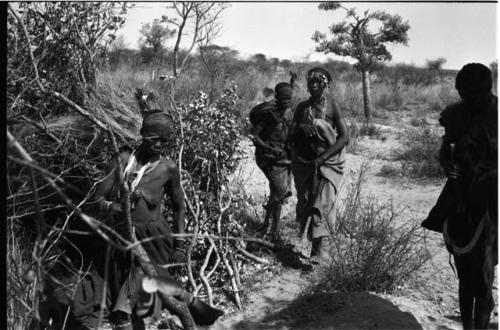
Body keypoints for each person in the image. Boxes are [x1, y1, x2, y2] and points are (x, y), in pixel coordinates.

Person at [90, 110, 222, 328]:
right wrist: (116, 207)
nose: (160, 144)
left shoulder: (168, 168)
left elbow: (179, 208)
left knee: (137, 285)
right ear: (142, 134)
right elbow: (97, 198)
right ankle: (190, 302)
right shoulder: (123, 160)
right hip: (123, 236)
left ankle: (124, 315)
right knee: (145, 290)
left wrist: (180, 245)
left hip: (155, 238)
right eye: (155, 139)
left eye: (165, 140)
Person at [422, 63, 497, 233]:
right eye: (463, 93)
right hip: (464, 178)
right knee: (446, 208)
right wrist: (447, 163)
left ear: (487, 89)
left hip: (494, 177)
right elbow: (448, 143)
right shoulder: (454, 113)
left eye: (473, 94)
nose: (468, 98)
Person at [289, 67, 349, 261]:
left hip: (326, 163)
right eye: (311, 82)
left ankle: (318, 251)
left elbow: (344, 137)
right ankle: (311, 246)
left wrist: (323, 158)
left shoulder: (332, 106)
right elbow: (290, 136)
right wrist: (301, 127)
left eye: (318, 82)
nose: (314, 86)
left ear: (325, 85)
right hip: (304, 163)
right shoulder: (301, 108)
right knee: (306, 202)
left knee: (321, 204)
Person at [250, 82, 294, 242]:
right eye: (283, 98)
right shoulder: (269, 114)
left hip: (284, 160)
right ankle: (274, 231)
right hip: (267, 158)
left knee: (277, 193)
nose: (286, 101)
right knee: (279, 191)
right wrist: (269, 148)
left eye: (289, 98)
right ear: (277, 97)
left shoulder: (290, 114)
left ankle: (266, 225)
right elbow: (254, 136)